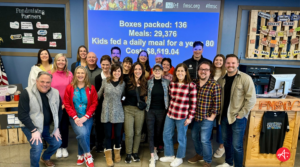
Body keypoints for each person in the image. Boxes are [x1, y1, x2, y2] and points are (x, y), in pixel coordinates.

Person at [216, 54, 256, 167]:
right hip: (224, 117)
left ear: (237, 64)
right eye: (228, 63)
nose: (230, 65)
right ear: (225, 65)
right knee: (226, 143)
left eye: (233, 63)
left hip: (237, 118)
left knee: (237, 145)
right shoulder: (221, 79)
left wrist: (241, 114)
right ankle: (228, 163)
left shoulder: (245, 78)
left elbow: (251, 99)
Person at [19, 71, 63, 167]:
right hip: (31, 126)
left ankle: (45, 157)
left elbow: (59, 111)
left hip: (48, 125)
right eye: (42, 81)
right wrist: (34, 130)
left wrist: (57, 127)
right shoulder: (27, 92)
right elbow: (22, 115)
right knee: (37, 146)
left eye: (48, 82)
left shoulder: (55, 92)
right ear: (36, 81)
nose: (45, 84)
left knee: (57, 143)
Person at [160, 63, 197, 167]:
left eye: (182, 71)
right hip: (171, 114)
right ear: (175, 72)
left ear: (186, 72)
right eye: (178, 71)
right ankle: (169, 155)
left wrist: (190, 118)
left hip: (182, 116)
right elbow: (171, 99)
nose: (180, 73)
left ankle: (179, 157)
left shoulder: (191, 85)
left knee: (181, 138)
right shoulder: (172, 83)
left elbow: (193, 104)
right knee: (166, 134)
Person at [64, 66, 98, 167]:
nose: (80, 75)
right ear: (75, 75)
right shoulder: (70, 87)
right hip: (75, 117)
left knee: (84, 135)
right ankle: (88, 155)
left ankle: (80, 155)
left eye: (82, 73)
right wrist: (75, 117)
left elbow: (94, 103)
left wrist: (86, 116)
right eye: (78, 73)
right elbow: (66, 103)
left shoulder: (91, 88)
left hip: (87, 117)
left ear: (86, 75)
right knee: (83, 134)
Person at [188, 61, 221, 167]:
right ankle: (199, 154)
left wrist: (212, 117)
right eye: (201, 69)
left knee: (204, 139)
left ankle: (208, 161)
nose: (203, 71)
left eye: (206, 70)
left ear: (210, 72)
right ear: (198, 71)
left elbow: (217, 103)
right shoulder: (194, 84)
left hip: (207, 118)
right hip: (196, 117)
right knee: (194, 136)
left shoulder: (214, 85)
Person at [98, 64, 126, 167]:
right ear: (111, 71)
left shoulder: (123, 83)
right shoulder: (105, 81)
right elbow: (99, 94)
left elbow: (124, 96)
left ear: (121, 72)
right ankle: (109, 157)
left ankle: (117, 153)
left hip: (118, 111)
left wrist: (121, 100)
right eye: (115, 71)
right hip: (106, 111)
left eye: (119, 71)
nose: (117, 73)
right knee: (108, 135)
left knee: (118, 135)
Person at [49, 54, 73, 158]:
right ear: (56, 61)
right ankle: (57, 147)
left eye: (63, 60)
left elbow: (72, 91)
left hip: (65, 106)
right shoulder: (50, 74)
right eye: (59, 60)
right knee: (55, 127)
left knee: (64, 127)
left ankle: (64, 147)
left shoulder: (70, 74)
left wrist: (64, 104)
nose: (61, 62)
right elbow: (47, 89)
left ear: (65, 62)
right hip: (52, 105)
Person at [146, 63, 170, 167]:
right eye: (155, 69)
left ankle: (155, 150)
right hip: (150, 110)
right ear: (152, 71)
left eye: (159, 69)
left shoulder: (167, 82)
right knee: (150, 132)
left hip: (162, 111)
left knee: (158, 132)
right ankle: (152, 157)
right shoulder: (148, 83)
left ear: (162, 71)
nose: (157, 71)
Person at [123, 62, 147, 163]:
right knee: (129, 133)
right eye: (136, 69)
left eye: (140, 69)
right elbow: (122, 94)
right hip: (128, 109)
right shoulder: (127, 80)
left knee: (138, 133)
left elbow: (146, 96)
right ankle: (128, 153)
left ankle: (135, 152)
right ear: (133, 70)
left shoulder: (145, 82)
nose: (138, 71)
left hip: (140, 111)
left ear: (142, 71)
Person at [94, 55, 112, 153]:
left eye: (107, 64)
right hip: (100, 105)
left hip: (111, 105)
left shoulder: (113, 76)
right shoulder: (97, 78)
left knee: (109, 126)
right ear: (100, 64)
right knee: (99, 126)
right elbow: (97, 94)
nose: (105, 67)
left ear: (110, 65)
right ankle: (99, 145)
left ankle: (108, 145)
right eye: (103, 64)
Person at [211, 54, 227, 158]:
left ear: (223, 62)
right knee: (209, 125)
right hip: (210, 104)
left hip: (222, 104)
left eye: (220, 60)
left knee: (221, 126)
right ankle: (208, 146)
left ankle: (221, 147)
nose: (218, 62)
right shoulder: (210, 72)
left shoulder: (226, 73)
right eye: (216, 60)